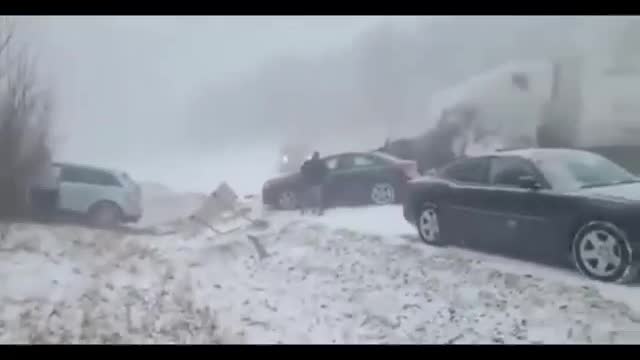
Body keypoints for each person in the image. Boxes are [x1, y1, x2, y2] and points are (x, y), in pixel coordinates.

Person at [299, 151, 329, 215]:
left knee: (307, 198)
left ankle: (303, 211)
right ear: (318, 156)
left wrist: (305, 177)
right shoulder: (321, 163)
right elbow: (326, 171)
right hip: (317, 183)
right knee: (318, 199)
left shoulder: (308, 162)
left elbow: (302, 169)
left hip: (308, 183)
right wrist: (323, 178)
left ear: (313, 156)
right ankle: (320, 211)